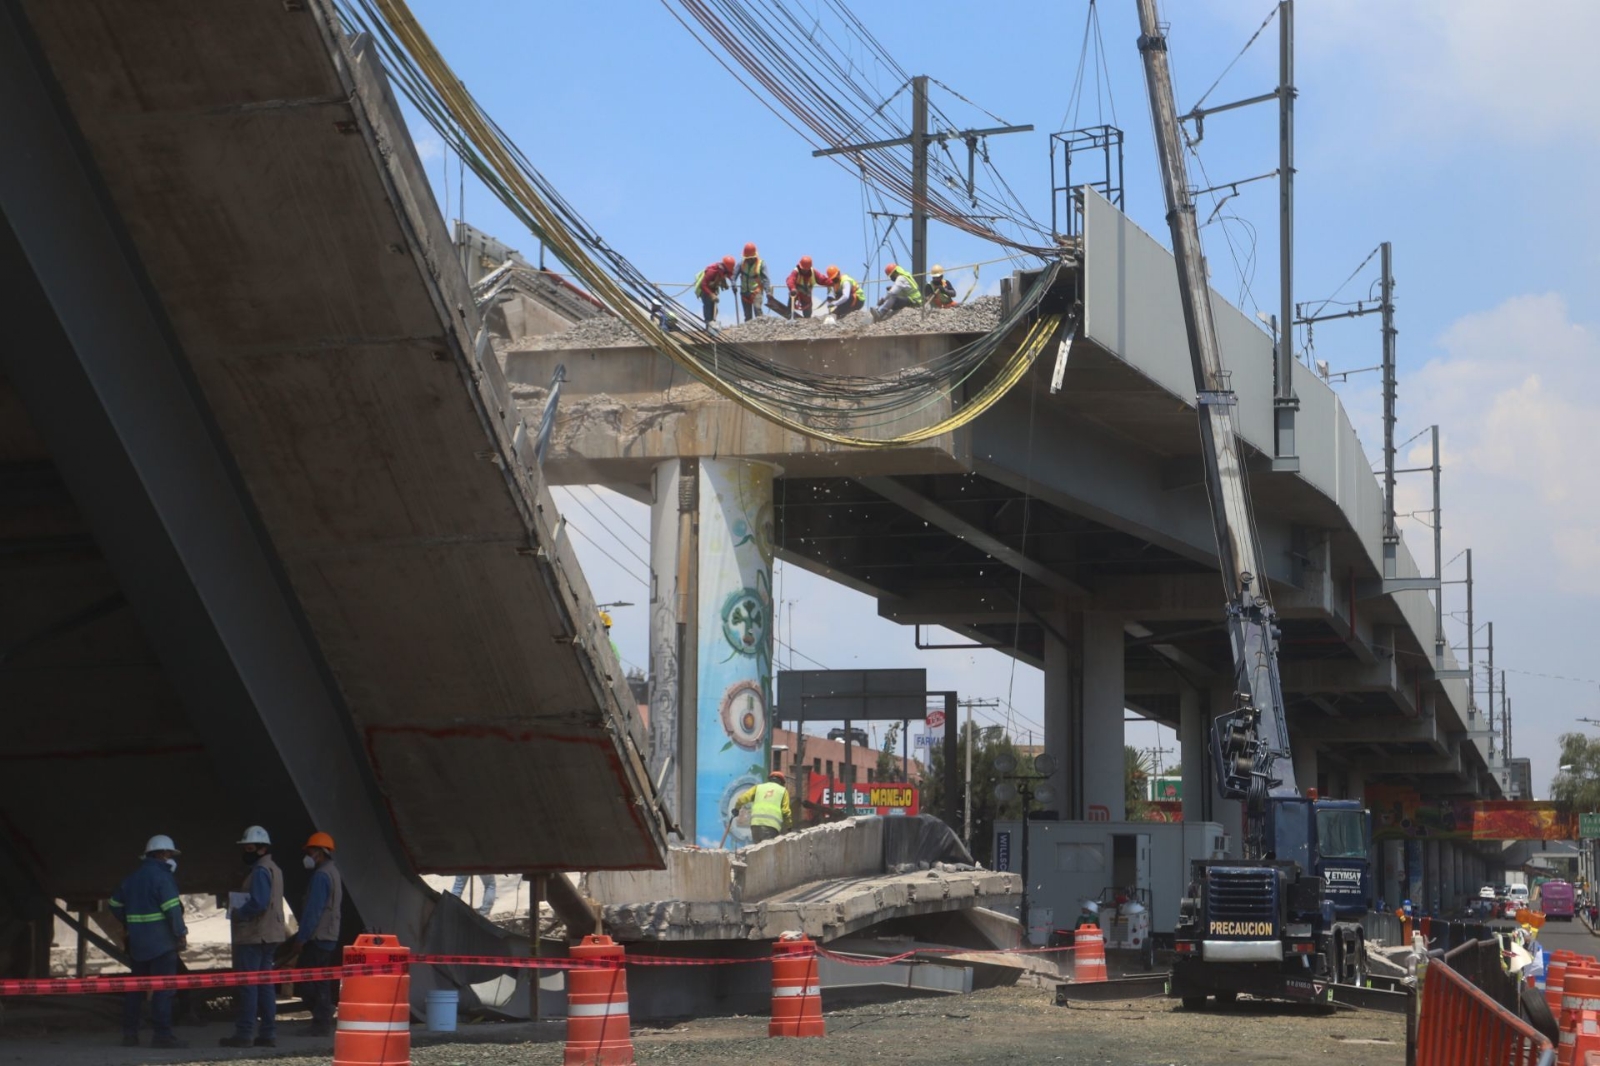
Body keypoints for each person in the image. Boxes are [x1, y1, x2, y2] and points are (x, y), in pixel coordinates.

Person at [109, 835, 189, 1048]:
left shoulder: (132, 878)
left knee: (135, 989)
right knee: (163, 989)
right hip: (163, 944)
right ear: (163, 854)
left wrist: (129, 922)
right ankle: (162, 1036)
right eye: (170, 854)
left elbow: (114, 903)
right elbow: (173, 910)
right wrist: (180, 933)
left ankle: (130, 1035)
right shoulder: (163, 877)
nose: (171, 858)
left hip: (138, 944)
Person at [221, 825, 285, 1049]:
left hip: (254, 936)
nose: (245, 852)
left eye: (249, 847)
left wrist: (239, 913)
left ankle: (244, 1033)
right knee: (265, 985)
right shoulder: (274, 869)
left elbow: (258, 902)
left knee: (248, 985)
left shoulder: (259, 871)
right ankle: (267, 1034)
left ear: (261, 849)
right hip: (270, 935)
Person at [294, 832, 342, 1037]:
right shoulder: (333, 872)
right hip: (328, 934)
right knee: (320, 979)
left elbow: (313, 911)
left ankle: (321, 1019)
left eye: (310, 851)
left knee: (307, 980)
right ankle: (324, 1014)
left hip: (319, 936)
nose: (308, 855)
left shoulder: (321, 876)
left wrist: (301, 938)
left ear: (320, 853)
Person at [733, 770, 792, 845]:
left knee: (757, 851)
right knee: (767, 853)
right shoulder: (783, 791)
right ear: (782, 782)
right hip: (771, 826)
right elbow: (786, 811)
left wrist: (736, 808)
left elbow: (742, 799)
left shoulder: (758, 787)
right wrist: (789, 826)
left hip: (755, 824)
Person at [694, 255, 737, 328]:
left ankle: (712, 325)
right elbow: (703, 285)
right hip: (705, 290)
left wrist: (731, 284)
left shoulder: (725, 270)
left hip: (713, 289)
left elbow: (730, 276)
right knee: (708, 307)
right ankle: (708, 326)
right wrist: (711, 295)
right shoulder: (712, 271)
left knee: (715, 310)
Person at [737, 242, 769, 322]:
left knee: (757, 308)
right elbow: (734, 274)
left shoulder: (761, 264)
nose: (749, 259)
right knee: (748, 316)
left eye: (751, 257)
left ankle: (761, 327)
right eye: (748, 258)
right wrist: (733, 283)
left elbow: (765, 279)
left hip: (756, 291)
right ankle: (748, 331)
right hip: (744, 292)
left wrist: (768, 292)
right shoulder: (741, 263)